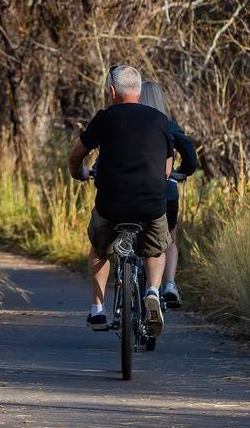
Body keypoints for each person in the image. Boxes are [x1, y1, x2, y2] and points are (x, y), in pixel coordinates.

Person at [67, 64, 173, 334]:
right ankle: (152, 290)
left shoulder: (105, 118)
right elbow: (168, 168)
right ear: (138, 90)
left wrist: (78, 173)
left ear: (113, 91)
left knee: (99, 247)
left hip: (112, 204)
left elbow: (76, 154)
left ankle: (98, 309)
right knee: (156, 248)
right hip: (150, 203)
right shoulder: (159, 120)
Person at [139, 79, 199, 309]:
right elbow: (190, 155)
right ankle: (170, 284)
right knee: (169, 239)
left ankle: (138, 280)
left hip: (133, 192)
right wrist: (181, 172)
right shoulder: (167, 124)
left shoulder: (129, 124)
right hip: (166, 193)